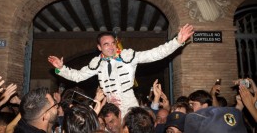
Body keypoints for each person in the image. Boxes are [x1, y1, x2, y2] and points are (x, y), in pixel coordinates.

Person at [48, 24, 194, 116]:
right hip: (109, 104)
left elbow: (155, 54)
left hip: (129, 102)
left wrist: (177, 42)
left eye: (113, 43)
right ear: (99, 47)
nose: (111, 47)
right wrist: (61, 68)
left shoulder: (127, 56)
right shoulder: (97, 63)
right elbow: (78, 76)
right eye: (106, 44)